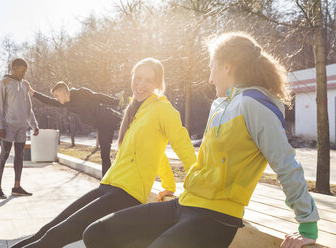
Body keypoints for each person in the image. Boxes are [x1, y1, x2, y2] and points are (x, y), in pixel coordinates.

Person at [83, 33, 320, 248]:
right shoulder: (219, 105)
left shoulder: (255, 106)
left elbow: (286, 164)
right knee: (97, 232)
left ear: (227, 67)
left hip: (216, 217)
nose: (209, 78)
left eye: (212, 68)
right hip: (184, 204)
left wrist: (307, 225)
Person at [10, 57, 197, 248]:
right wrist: (169, 184)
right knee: (48, 230)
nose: (140, 85)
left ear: (158, 83)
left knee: (55, 237)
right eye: (137, 78)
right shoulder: (136, 111)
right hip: (108, 185)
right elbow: (156, 152)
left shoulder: (163, 109)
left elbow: (184, 147)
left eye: (148, 80)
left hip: (126, 194)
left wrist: (196, 185)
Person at [23, 79, 122, 177]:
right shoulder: (66, 104)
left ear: (63, 92)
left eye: (57, 95)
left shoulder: (81, 93)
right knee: (104, 155)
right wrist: (32, 91)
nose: (56, 99)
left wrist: (115, 101)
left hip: (110, 117)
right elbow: (49, 101)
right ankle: (106, 182)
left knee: (130, 131)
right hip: (102, 126)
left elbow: (98, 96)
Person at [0, 58, 39, 199]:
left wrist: (34, 125)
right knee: (5, 154)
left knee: (19, 156)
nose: (24, 74)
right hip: (8, 126)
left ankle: (17, 187)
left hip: (21, 127)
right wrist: (0, 127)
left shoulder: (24, 85)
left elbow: (28, 108)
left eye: (25, 71)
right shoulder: (3, 83)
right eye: (22, 71)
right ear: (14, 68)